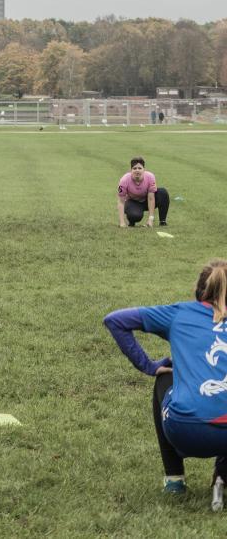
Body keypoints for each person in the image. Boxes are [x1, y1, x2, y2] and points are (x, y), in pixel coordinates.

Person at [104, 259, 227, 510]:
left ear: (199, 292)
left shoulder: (180, 313)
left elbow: (115, 320)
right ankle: (222, 476)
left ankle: (174, 479)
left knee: (164, 377)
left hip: (185, 428)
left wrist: (148, 365)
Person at [117, 156, 169, 228]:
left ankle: (162, 221)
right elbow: (121, 202)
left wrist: (150, 219)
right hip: (133, 201)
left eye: (140, 168)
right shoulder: (124, 180)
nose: (137, 170)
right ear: (131, 170)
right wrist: (122, 222)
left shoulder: (150, 177)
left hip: (146, 200)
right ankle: (131, 222)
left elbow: (151, 198)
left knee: (163, 192)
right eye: (134, 168)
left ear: (144, 169)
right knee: (135, 216)